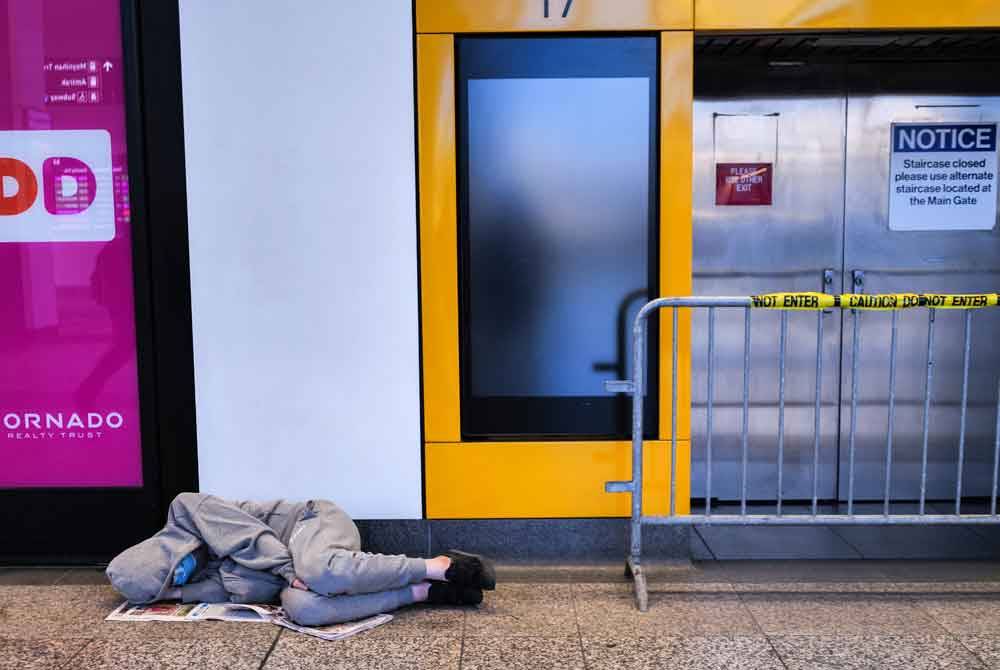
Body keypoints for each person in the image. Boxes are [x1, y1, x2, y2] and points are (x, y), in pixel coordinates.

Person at [106, 493, 495, 626]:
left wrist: (289, 572)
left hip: (308, 527)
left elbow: (253, 538)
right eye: (172, 580)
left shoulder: (191, 509)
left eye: (173, 562)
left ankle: (440, 565)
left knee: (316, 572)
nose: (183, 570)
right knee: (304, 608)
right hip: (297, 579)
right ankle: (423, 592)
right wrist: (179, 594)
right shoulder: (196, 585)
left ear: (164, 547)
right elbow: (244, 592)